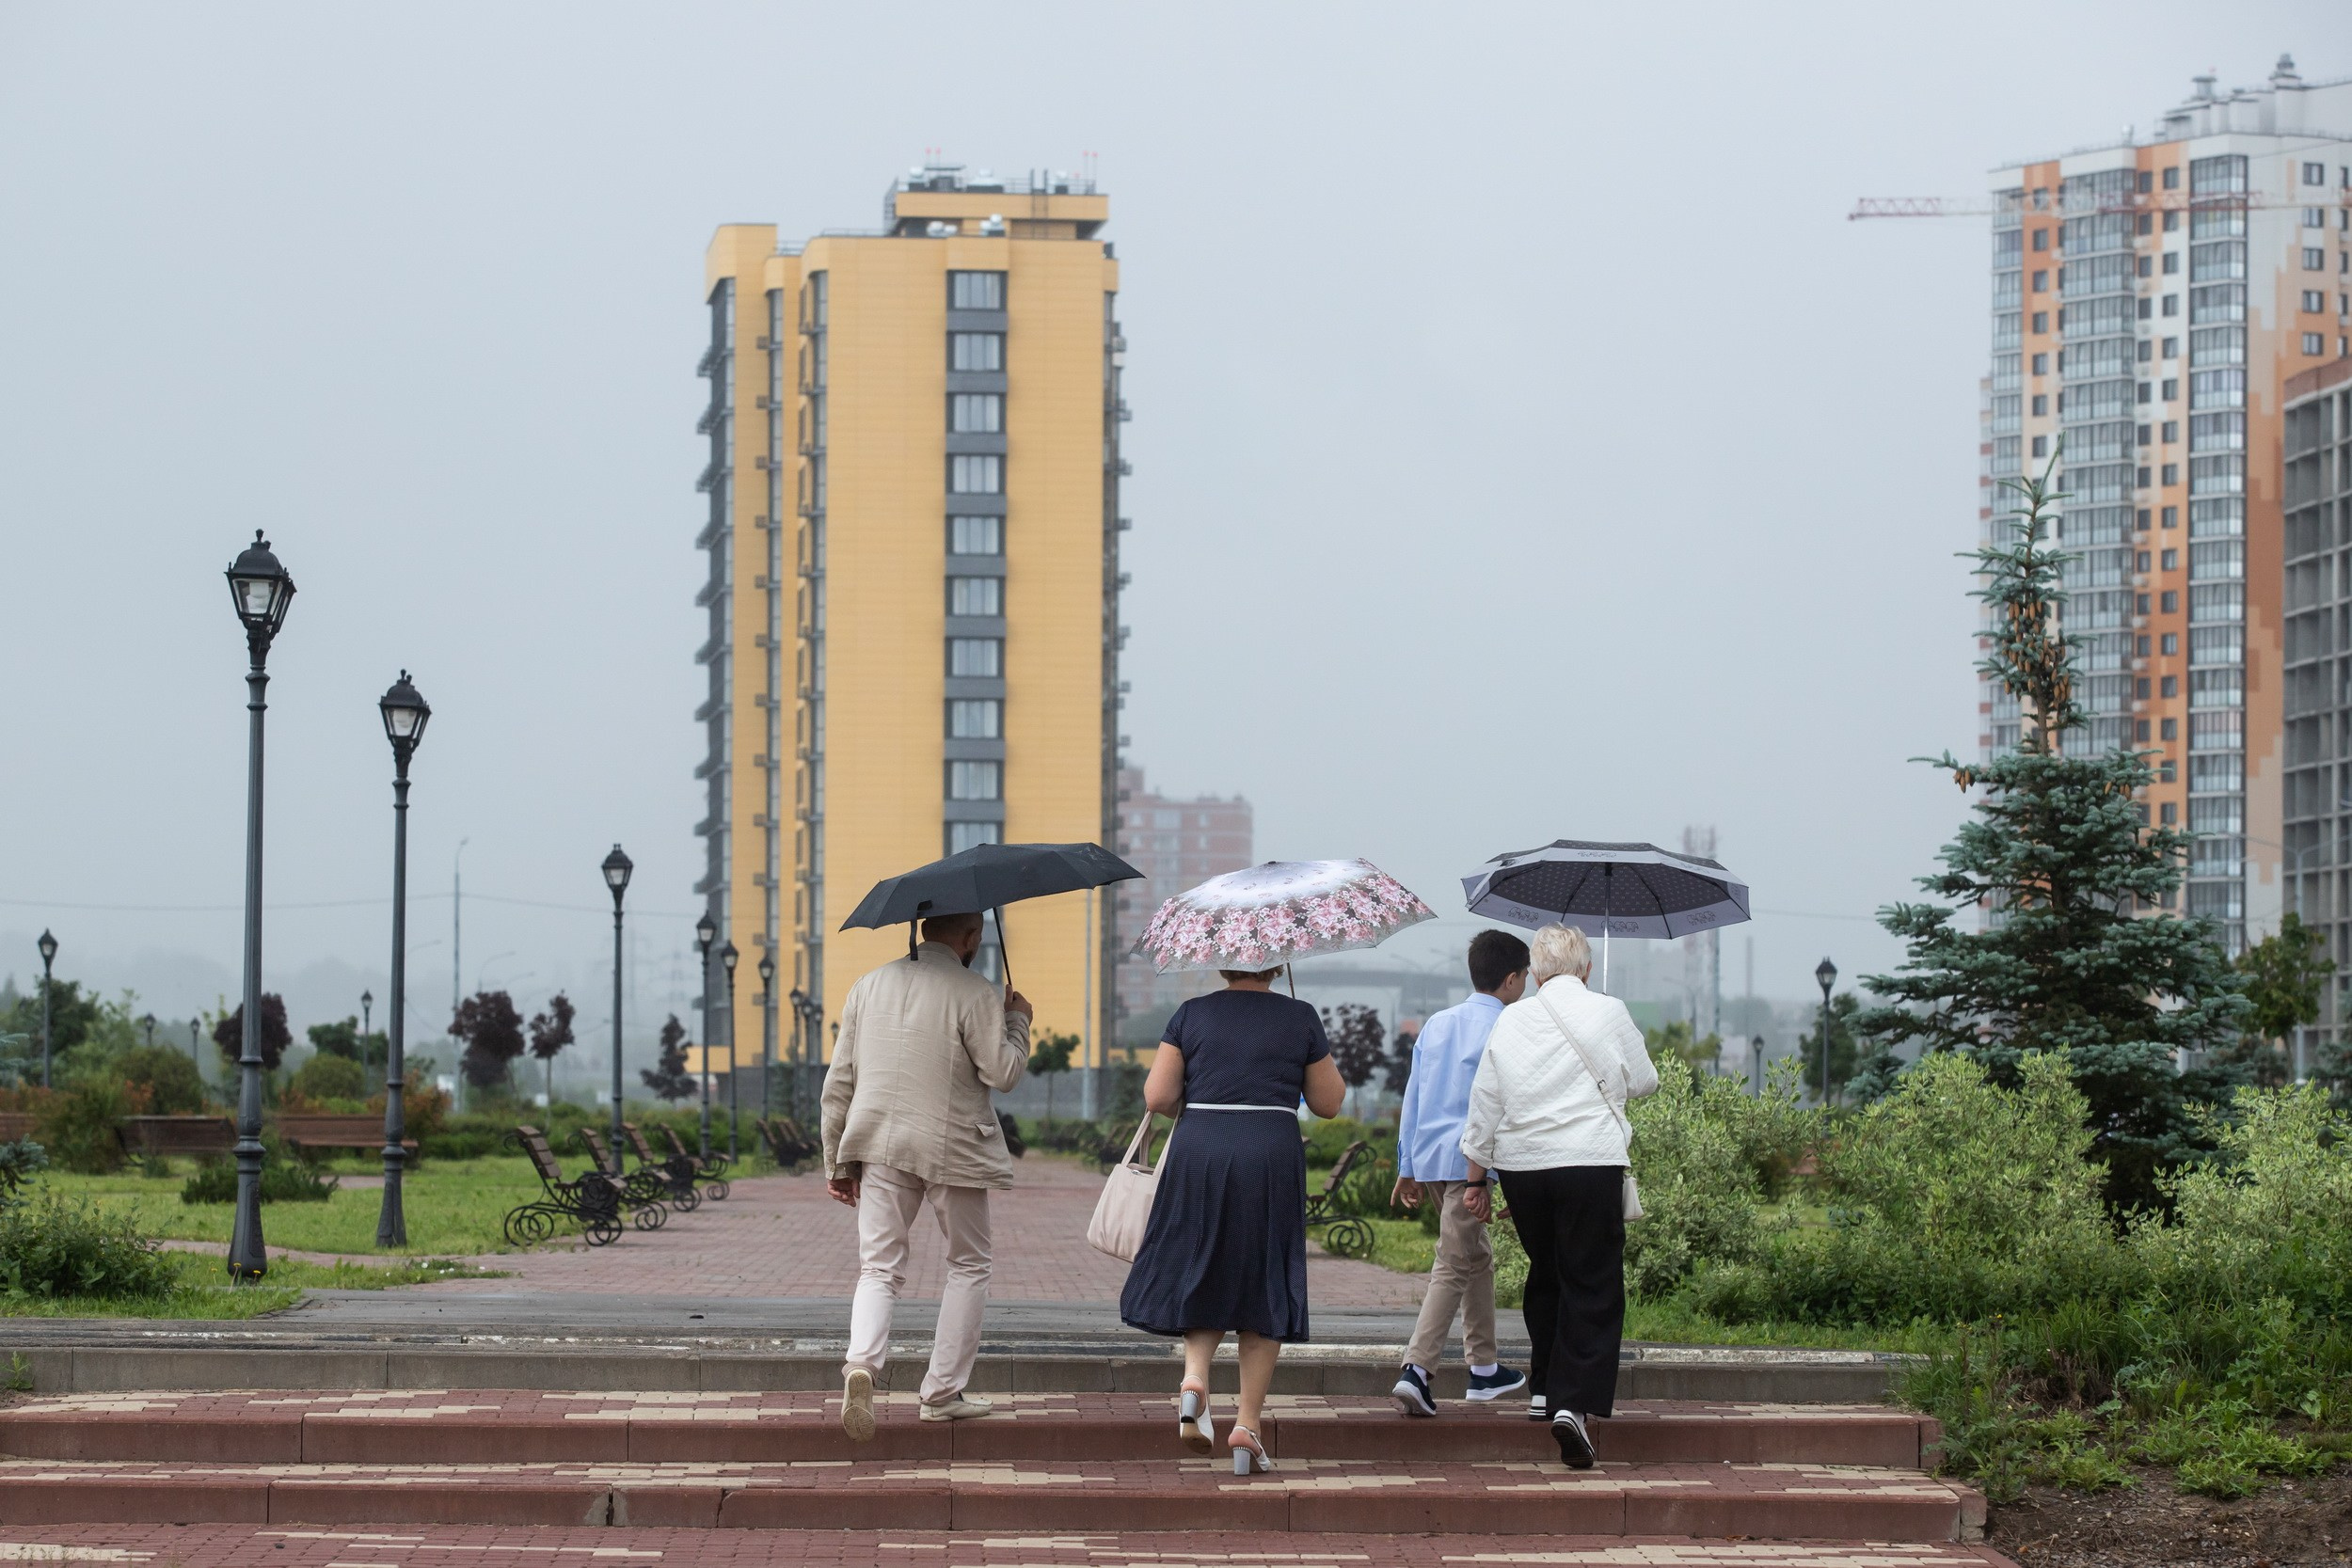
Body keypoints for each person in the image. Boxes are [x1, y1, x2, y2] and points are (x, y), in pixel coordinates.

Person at [1119, 964, 1347, 1475]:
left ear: (1223, 962)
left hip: (1200, 1147)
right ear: (1277, 962)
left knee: (1204, 1259)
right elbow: (1328, 1103)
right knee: (1265, 1277)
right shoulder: (1300, 1016)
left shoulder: (1191, 1014)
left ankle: (1195, 1378)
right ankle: (1247, 1425)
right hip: (1270, 1152)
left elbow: (1157, 1097)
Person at [820, 911, 1033, 1441]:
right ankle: (940, 1394)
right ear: (972, 936)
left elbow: (840, 1079)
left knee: (879, 1268)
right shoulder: (975, 991)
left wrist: (837, 1162)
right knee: (969, 1264)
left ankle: (862, 1365)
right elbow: (1003, 1072)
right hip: (953, 1148)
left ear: (921, 928)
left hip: (879, 1145)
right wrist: (1018, 1020)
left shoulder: (868, 985)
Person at [1460, 923, 1657, 1470]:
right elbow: (1645, 1080)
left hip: (1523, 1168)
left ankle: (1544, 1387)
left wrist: (1476, 1179)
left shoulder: (1511, 1019)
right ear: (1586, 968)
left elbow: (1485, 1102)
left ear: (1536, 974)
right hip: (1590, 1162)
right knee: (1591, 1282)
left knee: (1547, 1271)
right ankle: (1574, 1404)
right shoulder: (1609, 1010)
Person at [1388, 929, 1533, 1417]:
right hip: (1470, 1164)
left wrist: (1407, 1166)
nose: (1526, 985)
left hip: (1431, 1159)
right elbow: (1508, 1104)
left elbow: (1414, 1095)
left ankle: (1484, 1367)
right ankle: (1417, 1369)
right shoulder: (1509, 1026)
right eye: (1525, 976)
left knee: (1475, 1257)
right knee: (1452, 1263)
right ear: (1510, 979)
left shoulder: (1438, 1023)